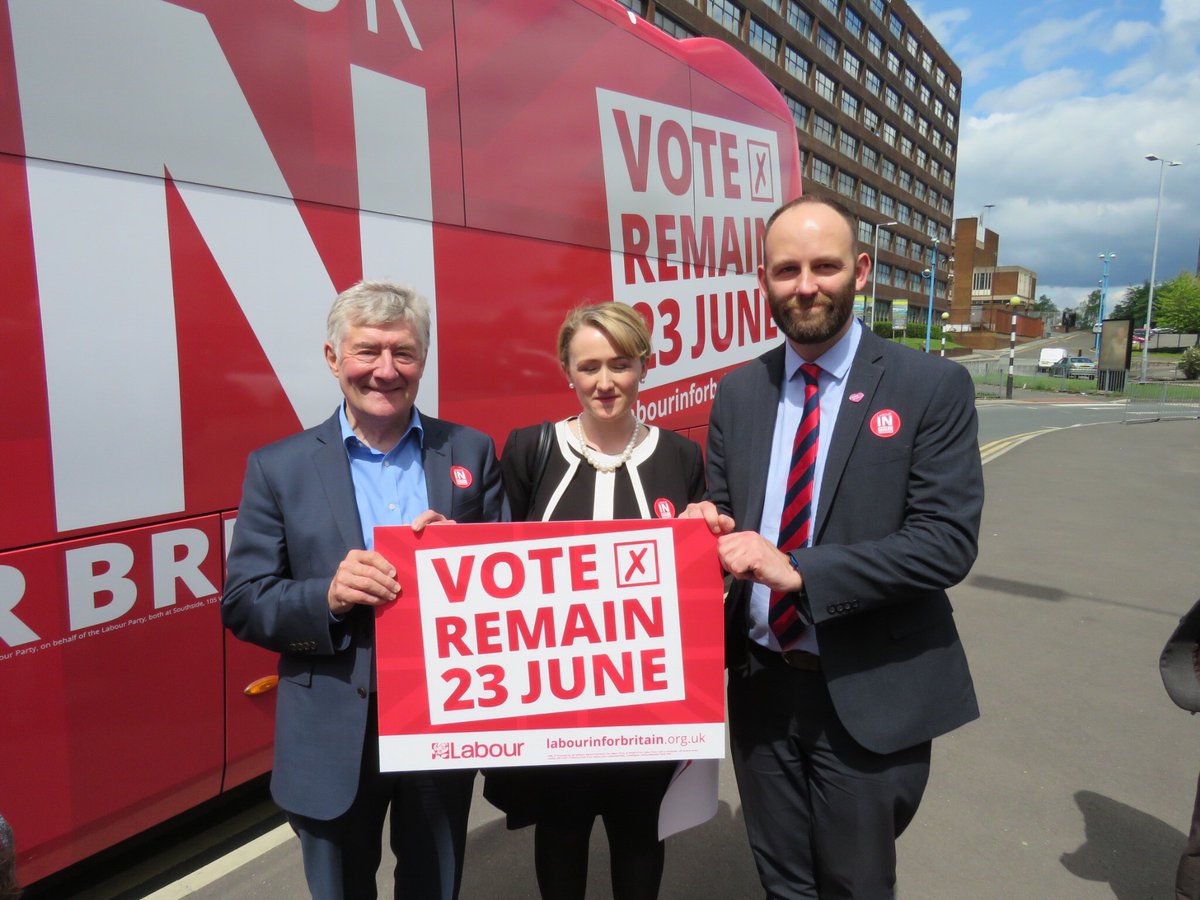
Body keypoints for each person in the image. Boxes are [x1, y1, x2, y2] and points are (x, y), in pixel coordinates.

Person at [684, 196, 984, 899]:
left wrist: (801, 571)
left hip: (867, 688)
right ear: (763, 280)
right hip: (760, 687)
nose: (806, 285)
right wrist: (707, 524)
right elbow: (731, 519)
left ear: (861, 270)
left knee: (852, 886)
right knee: (784, 884)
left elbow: (945, 544)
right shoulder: (737, 393)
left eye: (824, 265)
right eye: (786, 269)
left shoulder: (930, 386)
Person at [222, 280, 506, 900]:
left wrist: (471, 556)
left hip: (441, 720)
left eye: (403, 353)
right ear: (332, 358)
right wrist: (326, 594)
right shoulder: (279, 467)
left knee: (435, 886)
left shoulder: (470, 451)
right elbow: (243, 601)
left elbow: (514, 582)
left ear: (423, 361)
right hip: (331, 728)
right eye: (367, 351)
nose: (385, 370)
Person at [483, 302, 705, 900]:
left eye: (621, 364)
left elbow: (702, 587)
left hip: (647, 711)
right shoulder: (531, 449)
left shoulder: (681, 458)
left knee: (640, 844)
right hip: (558, 713)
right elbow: (493, 570)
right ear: (567, 371)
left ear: (644, 367)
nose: (605, 382)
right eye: (588, 367)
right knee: (560, 842)